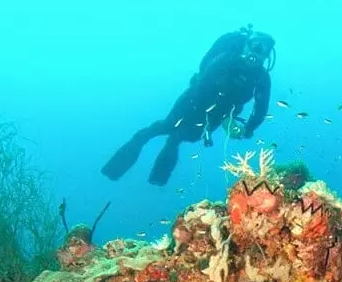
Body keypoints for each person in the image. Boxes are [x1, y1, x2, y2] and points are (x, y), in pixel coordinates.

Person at [101, 27, 275, 186]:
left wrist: (247, 129)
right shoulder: (225, 60)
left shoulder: (261, 78)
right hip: (193, 102)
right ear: (246, 45)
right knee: (166, 127)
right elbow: (202, 85)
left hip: (215, 116)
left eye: (264, 49)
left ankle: (157, 177)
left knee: (179, 137)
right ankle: (121, 167)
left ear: (267, 55)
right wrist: (217, 115)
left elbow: (261, 109)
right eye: (255, 45)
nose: (257, 51)